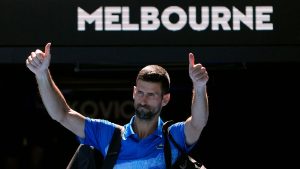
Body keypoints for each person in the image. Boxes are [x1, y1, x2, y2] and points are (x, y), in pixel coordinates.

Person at [25, 42, 209, 169]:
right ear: (134, 93)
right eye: (141, 93)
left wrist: (199, 87)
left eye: (152, 94)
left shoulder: (173, 137)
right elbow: (62, 114)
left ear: (165, 99)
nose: (144, 100)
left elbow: (197, 123)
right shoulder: (108, 134)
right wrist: (42, 74)